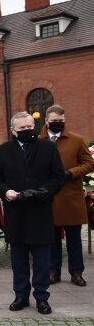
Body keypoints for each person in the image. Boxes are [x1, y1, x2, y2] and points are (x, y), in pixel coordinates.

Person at [0, 111, 66, 314]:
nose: (26, 131)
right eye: (22, 128)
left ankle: (42, 296)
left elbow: (58, 177)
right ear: (13, 130)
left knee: (42, 259)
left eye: (29, 127)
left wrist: (44, 191)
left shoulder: (48, 148)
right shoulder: (3, 151)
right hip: (16, 212)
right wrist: (6, 192)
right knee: (19, 258)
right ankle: (21, 295)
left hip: (40, 210)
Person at [40, 105, 94, 286]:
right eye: (54, 121)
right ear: (46, 121)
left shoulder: (76, 140)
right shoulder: (38, 141)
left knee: (74, 238)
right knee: (52, 237)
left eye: (61, 121)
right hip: (48, 196)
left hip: (70, 195)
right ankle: (53, 271)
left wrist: (71, 173)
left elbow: (89, 163)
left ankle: (76, 272)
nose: (57, 124)